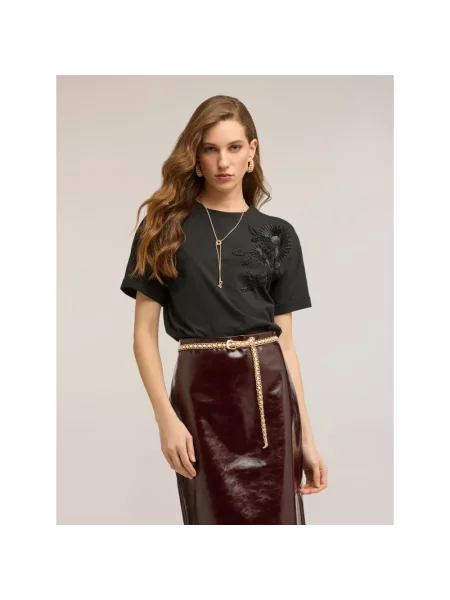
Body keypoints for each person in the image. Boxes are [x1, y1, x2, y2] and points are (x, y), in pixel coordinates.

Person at [120, 94, 328, 525]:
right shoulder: (162, 228)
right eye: (210, 149)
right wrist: (165, 418)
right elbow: (143, 335)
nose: (223, 161)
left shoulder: (278, 235)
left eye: (234, 147)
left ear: (252, 151)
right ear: (195, 157)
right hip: (200, 400)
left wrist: (305, 434)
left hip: (269, 399)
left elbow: (287, 345)